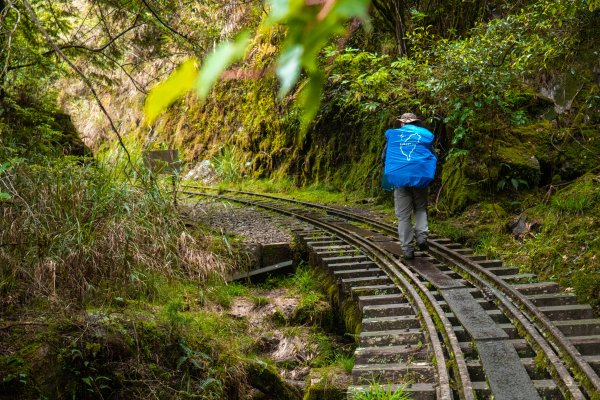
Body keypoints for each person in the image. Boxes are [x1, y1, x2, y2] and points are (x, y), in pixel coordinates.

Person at [382, 113, 437, 260]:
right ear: (416, 123)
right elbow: (431, 156)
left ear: (402, 123)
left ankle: (407, 249)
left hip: (400, 180)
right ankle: (422, 238)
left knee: (403, 216)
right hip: (420, 177)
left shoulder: (394, 137)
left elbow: (384, 158)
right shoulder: (424, 136)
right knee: (420, 208)